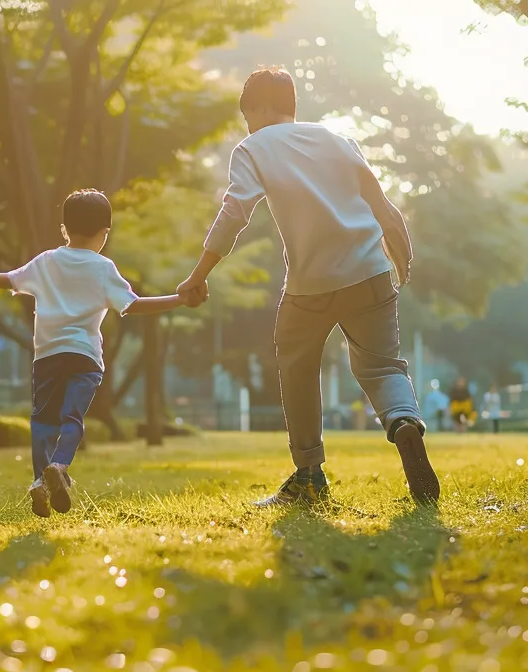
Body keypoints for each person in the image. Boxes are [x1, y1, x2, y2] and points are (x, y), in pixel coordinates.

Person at [176, 67, 438, 505]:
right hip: (371, 271)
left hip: (310, 285)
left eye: (247, 116)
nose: (248, 125)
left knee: (297, 369)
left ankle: (309, 476)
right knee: (382, 368)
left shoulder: (253, 148)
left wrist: (198, 274)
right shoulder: (338, 139)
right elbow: (382, 204)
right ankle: (404, 421)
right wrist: (399, 254)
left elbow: (234, 213)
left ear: (257, 108)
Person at [0, 190, 192, 518]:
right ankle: (60, 464)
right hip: (84, 357)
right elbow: (133, 304)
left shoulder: (47, 261)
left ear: (64, 229)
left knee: (42, 419)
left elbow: (9, 278)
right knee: (72, 417)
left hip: (48, 355)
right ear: (104, 233)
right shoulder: (103, 267)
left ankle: (41, 481)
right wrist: (178, 299)